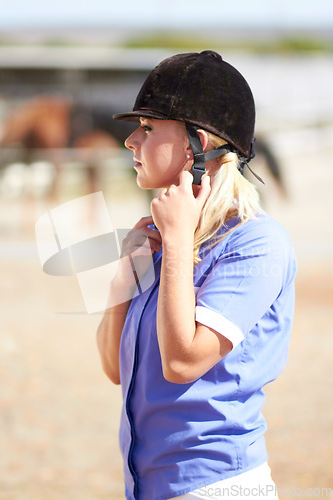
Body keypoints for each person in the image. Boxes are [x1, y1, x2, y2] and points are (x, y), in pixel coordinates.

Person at [96, 50, 297, 500]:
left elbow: (183, 361)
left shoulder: (257, 243)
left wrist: (178, 246)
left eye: (147, 129)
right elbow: (115, 367)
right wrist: (122, 278)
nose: (131, 141)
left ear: (197, 144)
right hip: (147, 488)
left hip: (217, 487)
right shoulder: (164, 237)